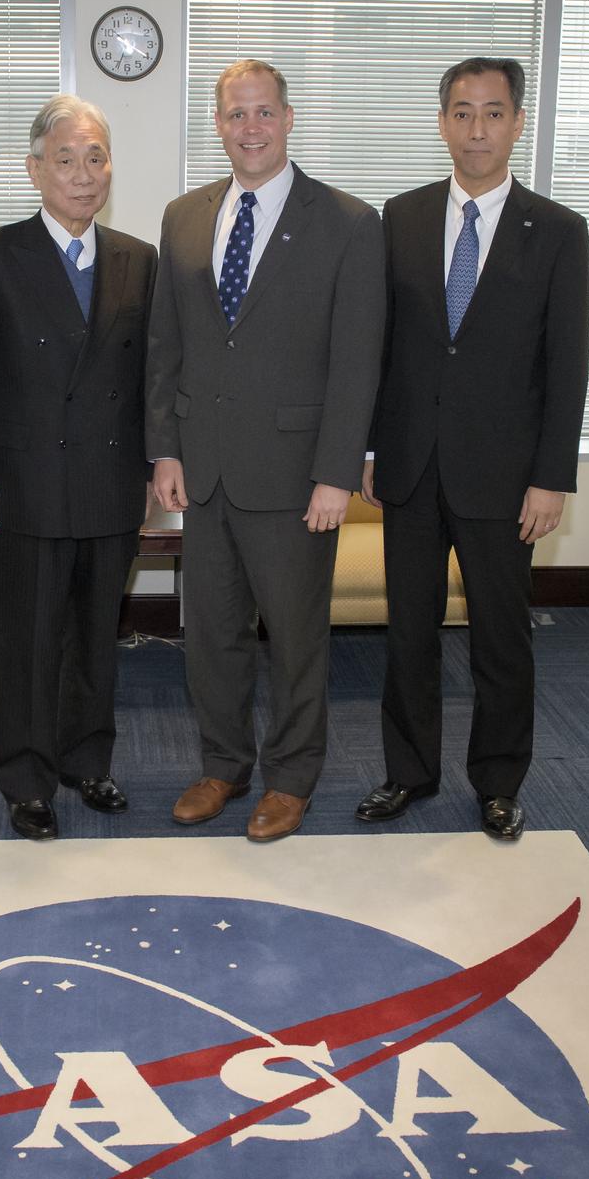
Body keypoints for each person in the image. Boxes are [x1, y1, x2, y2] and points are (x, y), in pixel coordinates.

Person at [146, 59, 385, 843]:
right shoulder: (184, 217)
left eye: (262, 113)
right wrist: (165, 451)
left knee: (293, 637)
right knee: (209, 634)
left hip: (293, 478)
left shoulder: (348, 222)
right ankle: (222, 766)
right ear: (216, 124)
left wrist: (334, 473)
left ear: (288, 119)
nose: (248, 128)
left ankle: (289, 779)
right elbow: (166, 346)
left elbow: (356, 363)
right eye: (233, 114)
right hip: (203, 471)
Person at [357, 57, 589, 840]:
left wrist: (550, 477)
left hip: (504, 475)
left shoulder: (557, 231)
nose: (477, 128)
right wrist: (365, 449)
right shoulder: (402, 216)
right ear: (441, 123)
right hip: (411, 465)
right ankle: (407, 773)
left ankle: (496, 782)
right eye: (461, 112)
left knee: (499, 639)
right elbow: (381, 346)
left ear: (517, 123)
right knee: (409, 634)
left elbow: (567, 364)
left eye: (492, 113)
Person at [0, 96, 157, 841]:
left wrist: (155, 463)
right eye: (64, 159)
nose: (81, 173)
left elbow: (148, 380)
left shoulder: (139, 258)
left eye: (94, 157)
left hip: (108, 484)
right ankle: (27, 779)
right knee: (29, 640)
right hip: (22, 486)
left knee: (96, 635)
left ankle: (85, 760)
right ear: (34, 168)